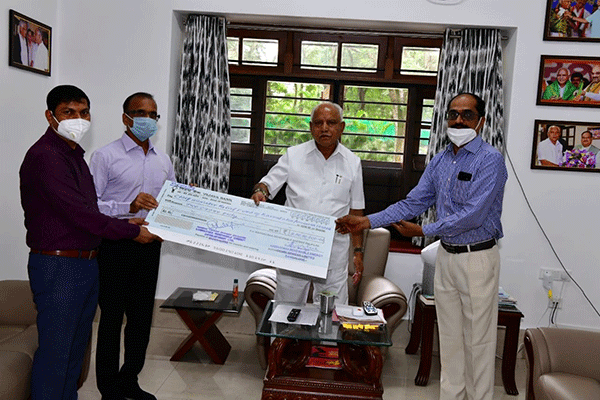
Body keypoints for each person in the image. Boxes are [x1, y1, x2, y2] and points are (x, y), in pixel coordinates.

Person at [336, 93, 507, 400]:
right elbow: (413, 202)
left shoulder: (490, 160)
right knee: (450, 339)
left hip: (477, 257)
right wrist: (366, 221)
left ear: (481, 122)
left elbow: (474, 215)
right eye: (453, 114)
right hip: (447, 255)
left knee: (478, 341)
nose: (458, 120)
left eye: (467, 115)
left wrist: (424, 230)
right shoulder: (441, 159)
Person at [19, 85, 160, 400]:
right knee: (56, 354)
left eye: (83, 112)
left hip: (85, 262)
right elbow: (79, 214)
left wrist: (128, 220)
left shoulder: (74, 155)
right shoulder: (46, 157)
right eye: (68, 112)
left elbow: (91, 209)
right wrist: (130, 232)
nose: (78, 119)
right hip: (59, 264)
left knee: (74, 352)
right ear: (50, 116)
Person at [89, 92, 175, 400]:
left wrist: (185, 203)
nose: (147, 119)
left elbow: (169, 203)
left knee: (141, 320)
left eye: (152, 114)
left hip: (149, 247)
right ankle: (108, 388)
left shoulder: (163, 159)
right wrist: (129, 206)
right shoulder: (105, 156)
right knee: (112, 319)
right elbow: (91, 206)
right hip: (116, 246)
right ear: (126, 117)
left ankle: (130, 380)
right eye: (140, 113)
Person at [251, 102, 365, 305]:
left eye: (331, 123)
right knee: (286, 309)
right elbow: (267, 184)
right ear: (311, 127)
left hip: (333, 252)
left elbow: (357, 212)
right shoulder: (293, 155)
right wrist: (260, 192)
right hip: (294, 248)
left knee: (333, 312)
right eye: (318, 123)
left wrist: (358, 253)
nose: (324, 128)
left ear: (341, 127)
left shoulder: (353, 163)